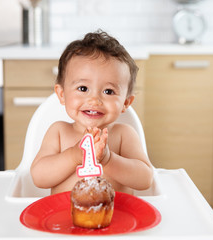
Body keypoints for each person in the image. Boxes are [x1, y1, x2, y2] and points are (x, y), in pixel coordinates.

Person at [31, 30, 153, 195]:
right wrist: (74, 156)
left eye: (109, 91)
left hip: (115, 217)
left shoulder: (124, 135)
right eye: (83, 88)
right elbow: (39, 177)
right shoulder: (59, 132)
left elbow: (145, 179)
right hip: (65, 217)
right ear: (61, 94)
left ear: (125, 103)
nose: (94, 100)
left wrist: (108, 160)